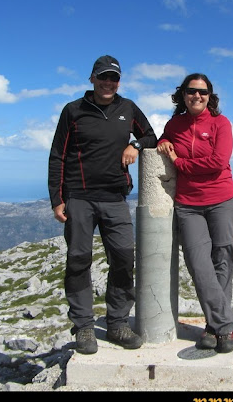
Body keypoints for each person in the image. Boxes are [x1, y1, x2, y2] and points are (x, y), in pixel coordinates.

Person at [48, 55, 157, 354]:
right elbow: (57, 155)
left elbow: (150, 136)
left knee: (123, 257)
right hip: (79, 198)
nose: (108, 83)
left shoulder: (128, 108)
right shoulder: (73, 111)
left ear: (119, 81)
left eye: (113, 78)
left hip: (115, 198)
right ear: (92, 78)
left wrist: (133, 145)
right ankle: (83, 326)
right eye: (103, 77)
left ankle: (117, 323)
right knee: (78, 260)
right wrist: (57, 199)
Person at [157, 73, 233, 353]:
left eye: (203, 92)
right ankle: (228, 325)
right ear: (183, 94)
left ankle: (213, 325)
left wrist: (180, 162)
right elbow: (164, 141)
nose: (197, 96)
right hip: (188, 204)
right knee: (198, 263)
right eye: (192, 91)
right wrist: (162, 143)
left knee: (222, 261)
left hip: (222, 199)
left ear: (210, 96)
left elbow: (218, 162)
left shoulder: (221, 123)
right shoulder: (174, 124)